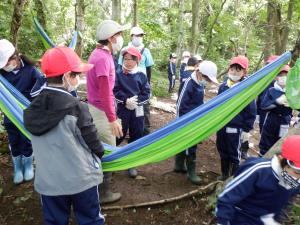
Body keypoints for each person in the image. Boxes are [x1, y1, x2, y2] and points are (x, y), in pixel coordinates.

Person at [23, 47, 105, 225]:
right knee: (91, 219)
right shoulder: (77, 108)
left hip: (49, 182)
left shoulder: (31, 110)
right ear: (67, 76)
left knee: (54, 221)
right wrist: (100, 155)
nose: (79, 79)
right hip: (81, 180)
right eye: (77, 75)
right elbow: (92, 142)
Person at [216, 135, 300, 225]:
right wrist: (223, 221)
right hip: (239, 218)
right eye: (297, 172)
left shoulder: (295, 180)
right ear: (281, 159)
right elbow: (226, 199)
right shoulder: (258, 171)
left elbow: (286, 202)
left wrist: (276, 219)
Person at [87, 19, 124, 204]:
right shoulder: (101, 58)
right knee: (108, 150)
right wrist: (112, 118)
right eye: (119, 35)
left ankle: (101, 186)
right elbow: (104, 92)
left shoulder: (103, 54)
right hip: (101, 110)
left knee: (106, 147)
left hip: (100, 108)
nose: (121, 38)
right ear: (111, 38)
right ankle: (103, 192)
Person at [0, 39, 44, 184]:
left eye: (7, 63)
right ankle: (18, 167)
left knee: (25, 138)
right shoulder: (2, 75)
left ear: (15, 57)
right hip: (10, 113)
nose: (6, 66)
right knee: (14, 138)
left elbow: (40, 86)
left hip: (27, 112)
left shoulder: (30, 70)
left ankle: (28, 165)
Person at [176, 60, 218, 185]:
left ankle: (179, 165)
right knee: (191, 145)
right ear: (198, 72)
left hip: (195, 120)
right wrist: (180, 123)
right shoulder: (189, 83)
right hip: (186, 121)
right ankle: (191, 172)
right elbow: (180, 105)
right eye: (206, 78)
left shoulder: (200, 84)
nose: (207, 81)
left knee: (185, 143)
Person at [216, 55, 256, 181]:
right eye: (232, 69)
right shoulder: (223, 86)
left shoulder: (246, 89)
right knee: (222, 149)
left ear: (244, 72)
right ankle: (224, 173)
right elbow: (217, 105)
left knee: (234, 152)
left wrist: (246, 129)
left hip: (236, 127)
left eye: (238, 70)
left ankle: (233, 177)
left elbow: (251, 110)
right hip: (222, 125)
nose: (234, 72)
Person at [114, 47, 150, 178]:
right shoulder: (118, 74)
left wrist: (136, 102)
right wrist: (125, 101)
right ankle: (111, 157)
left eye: (131, 59)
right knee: (119, 133)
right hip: (123, 109)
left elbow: (147, 93)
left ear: (137, 61)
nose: (128, 62)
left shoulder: (141, 75)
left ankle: (131, 163)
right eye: (126, 59)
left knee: (137, 133)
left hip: (138, 109)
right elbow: (115, 90)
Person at [118, 26, 154, 136]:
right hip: (125, 86)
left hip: (140, 87)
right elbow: (119, 67)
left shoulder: (146, 51)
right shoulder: (124, 50)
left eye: (141, 35)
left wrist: (145, 84)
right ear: (131, 36)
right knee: (122, 125)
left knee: (142, 120)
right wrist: (126, 100)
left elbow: (149, 69)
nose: (138, 37)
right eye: (136, 35)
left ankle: (141, 140)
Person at [259, 65, 292, 156]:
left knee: (281, 143)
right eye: (280, 75)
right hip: (271, 119)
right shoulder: (271, 90)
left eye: (286, 75)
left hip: (285, 121)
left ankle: (277, 164)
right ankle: (263, 161)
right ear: (276, 77)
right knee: (266, 142)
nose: (283, 78)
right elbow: (264, 106)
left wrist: (292, 104)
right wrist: (276, 102)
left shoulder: (292, 91)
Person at [256, 55, 278, 133]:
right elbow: (260, 96)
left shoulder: (280, 82)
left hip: (275, 113)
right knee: (263, 130)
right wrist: (257, 113)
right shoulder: (265, 80)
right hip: (263, 111)